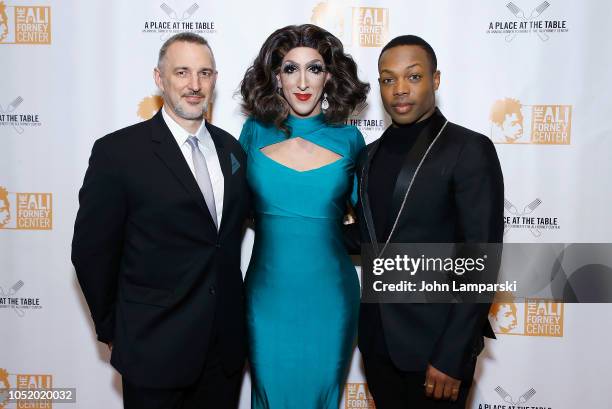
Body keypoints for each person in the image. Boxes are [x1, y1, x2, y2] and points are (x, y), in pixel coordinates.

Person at [72, 32, 250, 409]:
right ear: (159, 78)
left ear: (215, 80)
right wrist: (116, 330)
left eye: (204, 73)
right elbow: (91, 253)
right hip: (153, 350)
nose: (194, 85)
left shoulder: (231, 149)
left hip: (223, 353)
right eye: (182, 72)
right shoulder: (118, 153)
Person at [351, 35, 504, 408]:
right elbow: (372, 237)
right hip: (378, 346)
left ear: (435, 80)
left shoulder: (469, 149)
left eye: (413, 77)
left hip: (438, 350)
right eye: (388, 79)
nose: (400, 90)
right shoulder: (368, 156)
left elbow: (480, 261)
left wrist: (452, 355)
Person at [238, 24, 369, 408]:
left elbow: (370, 224)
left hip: (330, 298)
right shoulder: (253, 133)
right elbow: (232, 212)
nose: (302, 81)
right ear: (276, 77)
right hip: (267, 297)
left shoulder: (350, 139)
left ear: (328, 77)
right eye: (290, 68)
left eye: (314, 68)